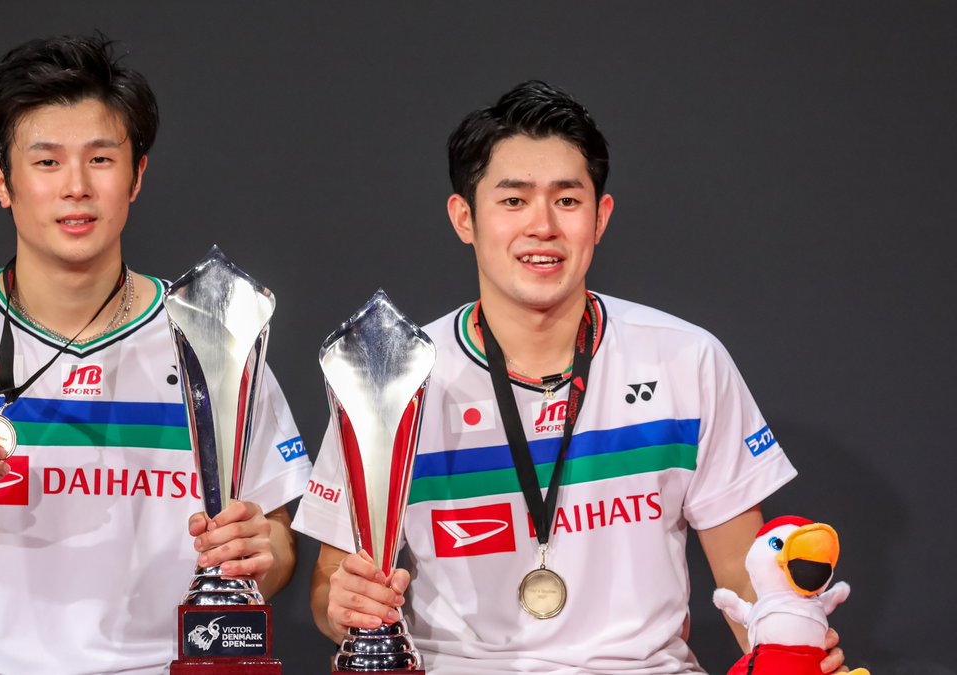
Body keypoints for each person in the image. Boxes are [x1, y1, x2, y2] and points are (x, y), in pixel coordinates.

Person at [293, 81, 847, 673]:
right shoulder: (390, 377)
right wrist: (344, 604)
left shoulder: (687, 359)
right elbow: (331, 587)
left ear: (600, 217)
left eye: (567, 200)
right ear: (464, 218)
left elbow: (743, 578)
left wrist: (790, 643)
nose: (543, 227)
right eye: (512, 201)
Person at [0, 34, 311, 674]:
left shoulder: (215, 333)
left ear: (137, 175)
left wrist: (262, 553)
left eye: (101, 160)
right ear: (2, 181)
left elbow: (275, 551)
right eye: (47, 162)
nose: (77, 187)